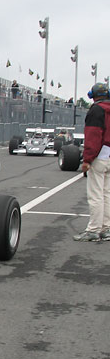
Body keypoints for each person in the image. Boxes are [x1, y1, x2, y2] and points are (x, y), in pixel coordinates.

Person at [75, 83, 110, 242]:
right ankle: (106, 228)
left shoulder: (96, 110)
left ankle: (94, 230)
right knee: (107, 194)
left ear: (92, 95)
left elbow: (93, 136)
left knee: (95, 194)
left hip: (99, 156)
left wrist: (87, 160)